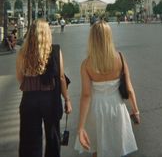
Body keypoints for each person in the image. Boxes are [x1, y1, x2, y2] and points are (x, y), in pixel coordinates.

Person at [75, 20, 140, 157]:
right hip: (117, 108)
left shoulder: (86, 64)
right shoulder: (120, 58)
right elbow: (129, 88)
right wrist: (136, 110)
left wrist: (80, 127)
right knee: (118, 147)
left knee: (97, 148)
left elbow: (86, 96)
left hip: (96, 110)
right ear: (109, 37)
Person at [16, 19, 72, 157]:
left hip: (29, 99)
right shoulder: (55, 51)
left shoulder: (22, 53)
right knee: (53, 137)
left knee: (29, 141)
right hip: (50, 99)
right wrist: (67, 100)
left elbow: (20, 78)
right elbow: (60, 78)